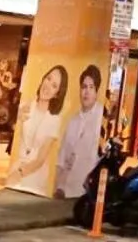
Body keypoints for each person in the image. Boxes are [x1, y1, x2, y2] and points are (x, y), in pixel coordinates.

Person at [6, 65, 68, 194]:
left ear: (57, 94)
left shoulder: (54, 119)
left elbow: (40, 160)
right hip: (17, 166)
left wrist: (19, 174)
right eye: (48, 78)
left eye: (54, 85)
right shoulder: (25, 107)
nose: (48, 86)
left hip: (35, 176)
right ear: (43, 79)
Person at [55, 65, 103, 199]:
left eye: (91, 87)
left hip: (89, 192)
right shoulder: (72, 121)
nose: (86, 92)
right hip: (68, 191)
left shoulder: (101, 116)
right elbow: (62, 159)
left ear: (97, 91)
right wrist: (58, 187)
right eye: (83, 87)